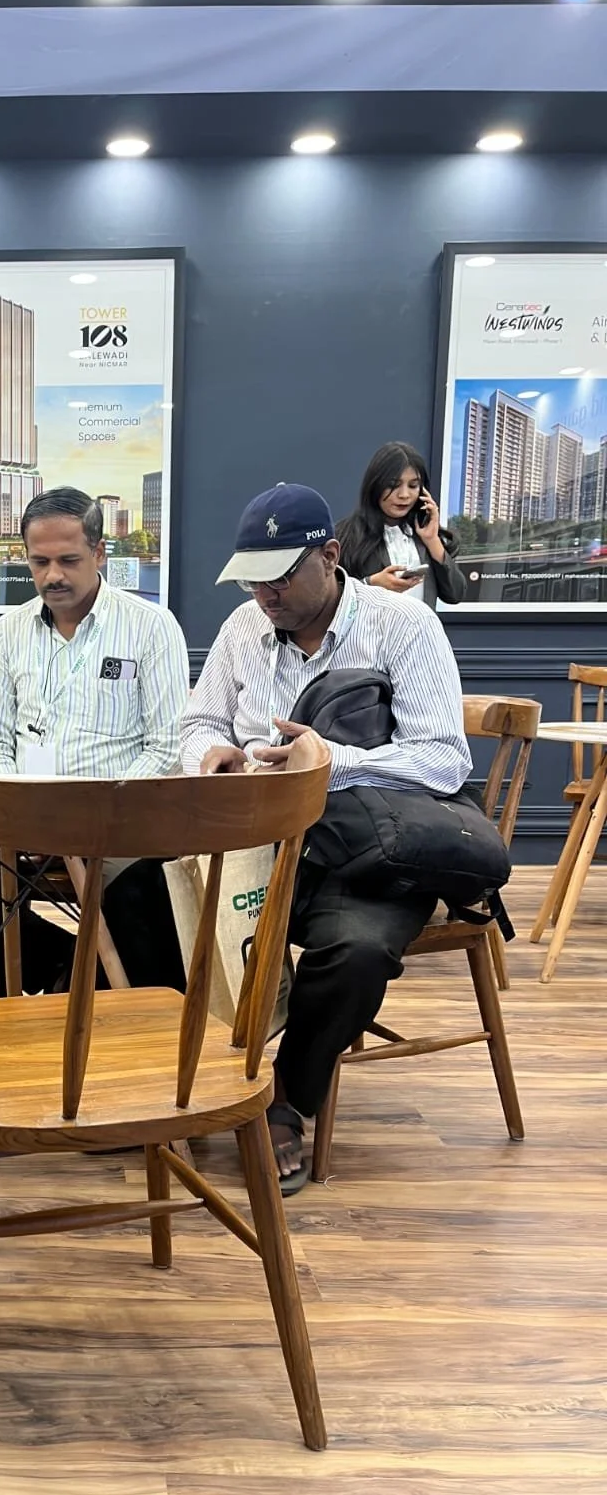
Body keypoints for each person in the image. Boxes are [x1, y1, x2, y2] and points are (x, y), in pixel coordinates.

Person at [182, 483, 471, 1195]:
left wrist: (331, 762)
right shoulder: (243, 627)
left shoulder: (403, 627)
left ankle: (287, 1100)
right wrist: (208, 755)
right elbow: (198, 723)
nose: (263, 593)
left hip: (366, 845)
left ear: (331, 556)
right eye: (251, 577)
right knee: (143, 898)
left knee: (357, 950)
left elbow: (444, 761)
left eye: (279, 575)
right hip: (252, 839)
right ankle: (189, 1081)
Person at [0, 485, 191, 996]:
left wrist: (99, 813)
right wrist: (17, 808)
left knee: (141, 904)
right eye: (39, 561)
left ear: (99, 553)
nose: (53, 576)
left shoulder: (152, 628)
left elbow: (166, 749)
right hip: (19, 814)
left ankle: (113, 1001)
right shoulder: (8, 631)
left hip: (117, 820)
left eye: (68, 560)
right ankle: (60, 958)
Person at [335, 441, 466, 608]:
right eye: (393, 485)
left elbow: (456, 594)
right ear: (375, 485)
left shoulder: (426, 535)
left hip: (422, 633)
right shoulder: (346, 535)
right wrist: (370, 584)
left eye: (413, 486)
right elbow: (328, 599)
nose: (404, 495)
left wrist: (433, 541)